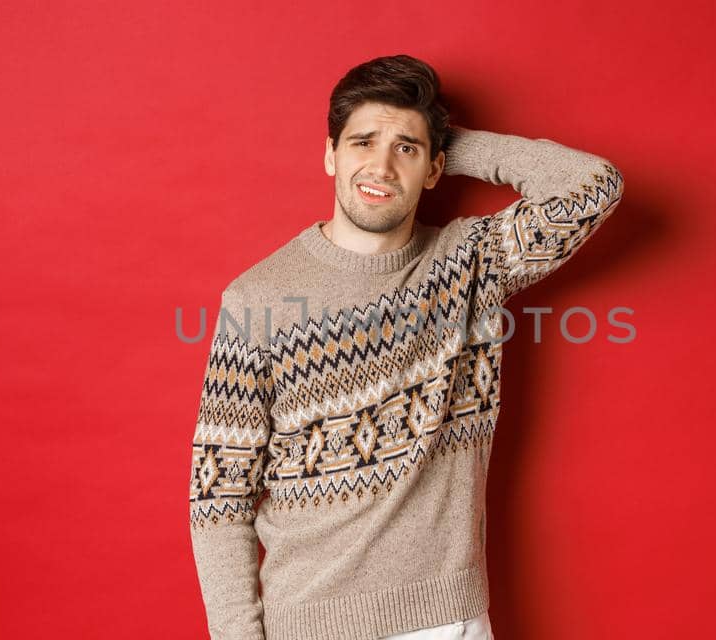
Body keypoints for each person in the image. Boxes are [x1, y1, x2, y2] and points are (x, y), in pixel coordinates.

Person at [186, 53, 624, 640]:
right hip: (308, 624)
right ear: (329, 153)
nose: (382, 165)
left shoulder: (471, 262)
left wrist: (446, 142)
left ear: (436, 168)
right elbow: (220, 494)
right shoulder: (256, 300)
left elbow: (594, 185)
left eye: (406, 150)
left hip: (446, 621)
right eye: (362, 142)